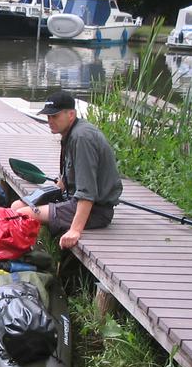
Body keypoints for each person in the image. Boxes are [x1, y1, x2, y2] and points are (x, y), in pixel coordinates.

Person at [10, 90, 122, 250]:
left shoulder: (81, 138)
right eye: (48, 117)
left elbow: (87, 193)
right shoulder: (72, 132)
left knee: (22, 214)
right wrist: (61, 184)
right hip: (73, 198)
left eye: (54, 116)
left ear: (71, 114)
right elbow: (71, 177)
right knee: (15, 206)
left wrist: (75, 230)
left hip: (95, 211)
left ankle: (27, 253)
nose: (50, 121)